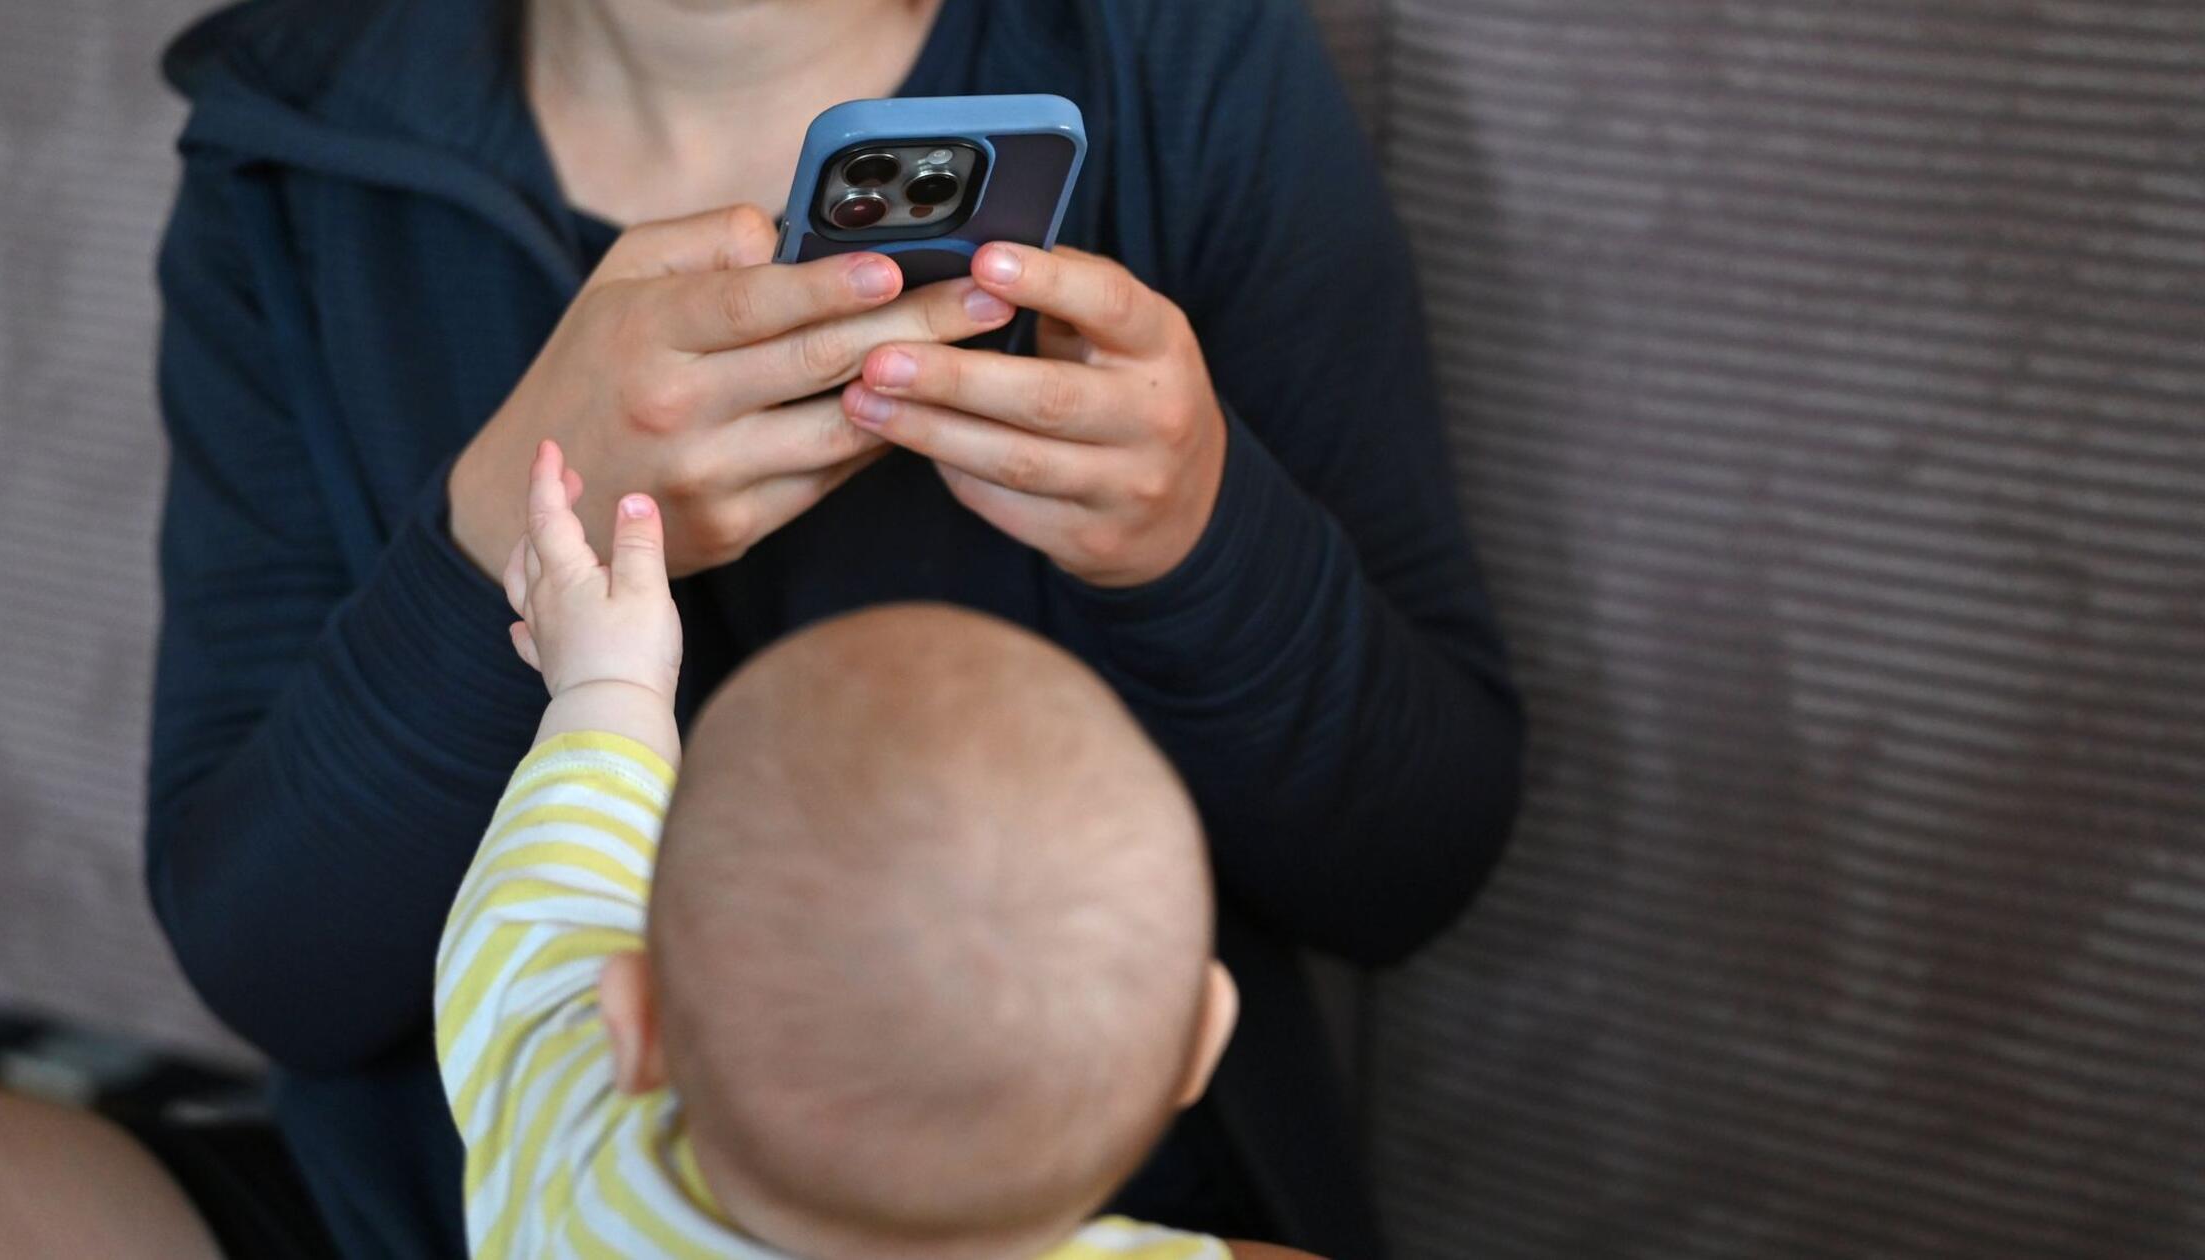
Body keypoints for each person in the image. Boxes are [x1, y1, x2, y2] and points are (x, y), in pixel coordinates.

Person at [77, 0, 1525, 1255]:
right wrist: (489, 540)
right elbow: (270, 966)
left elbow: (1409, 865)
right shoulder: (292, 135)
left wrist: (1199, 540)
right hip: (444, 1208)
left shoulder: (1173, 55)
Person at [438, 441, 1314, 1259]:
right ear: (1202, 1042)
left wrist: (609, 682)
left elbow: (554, 889)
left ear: (633, 1025)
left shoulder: (568, 1132)